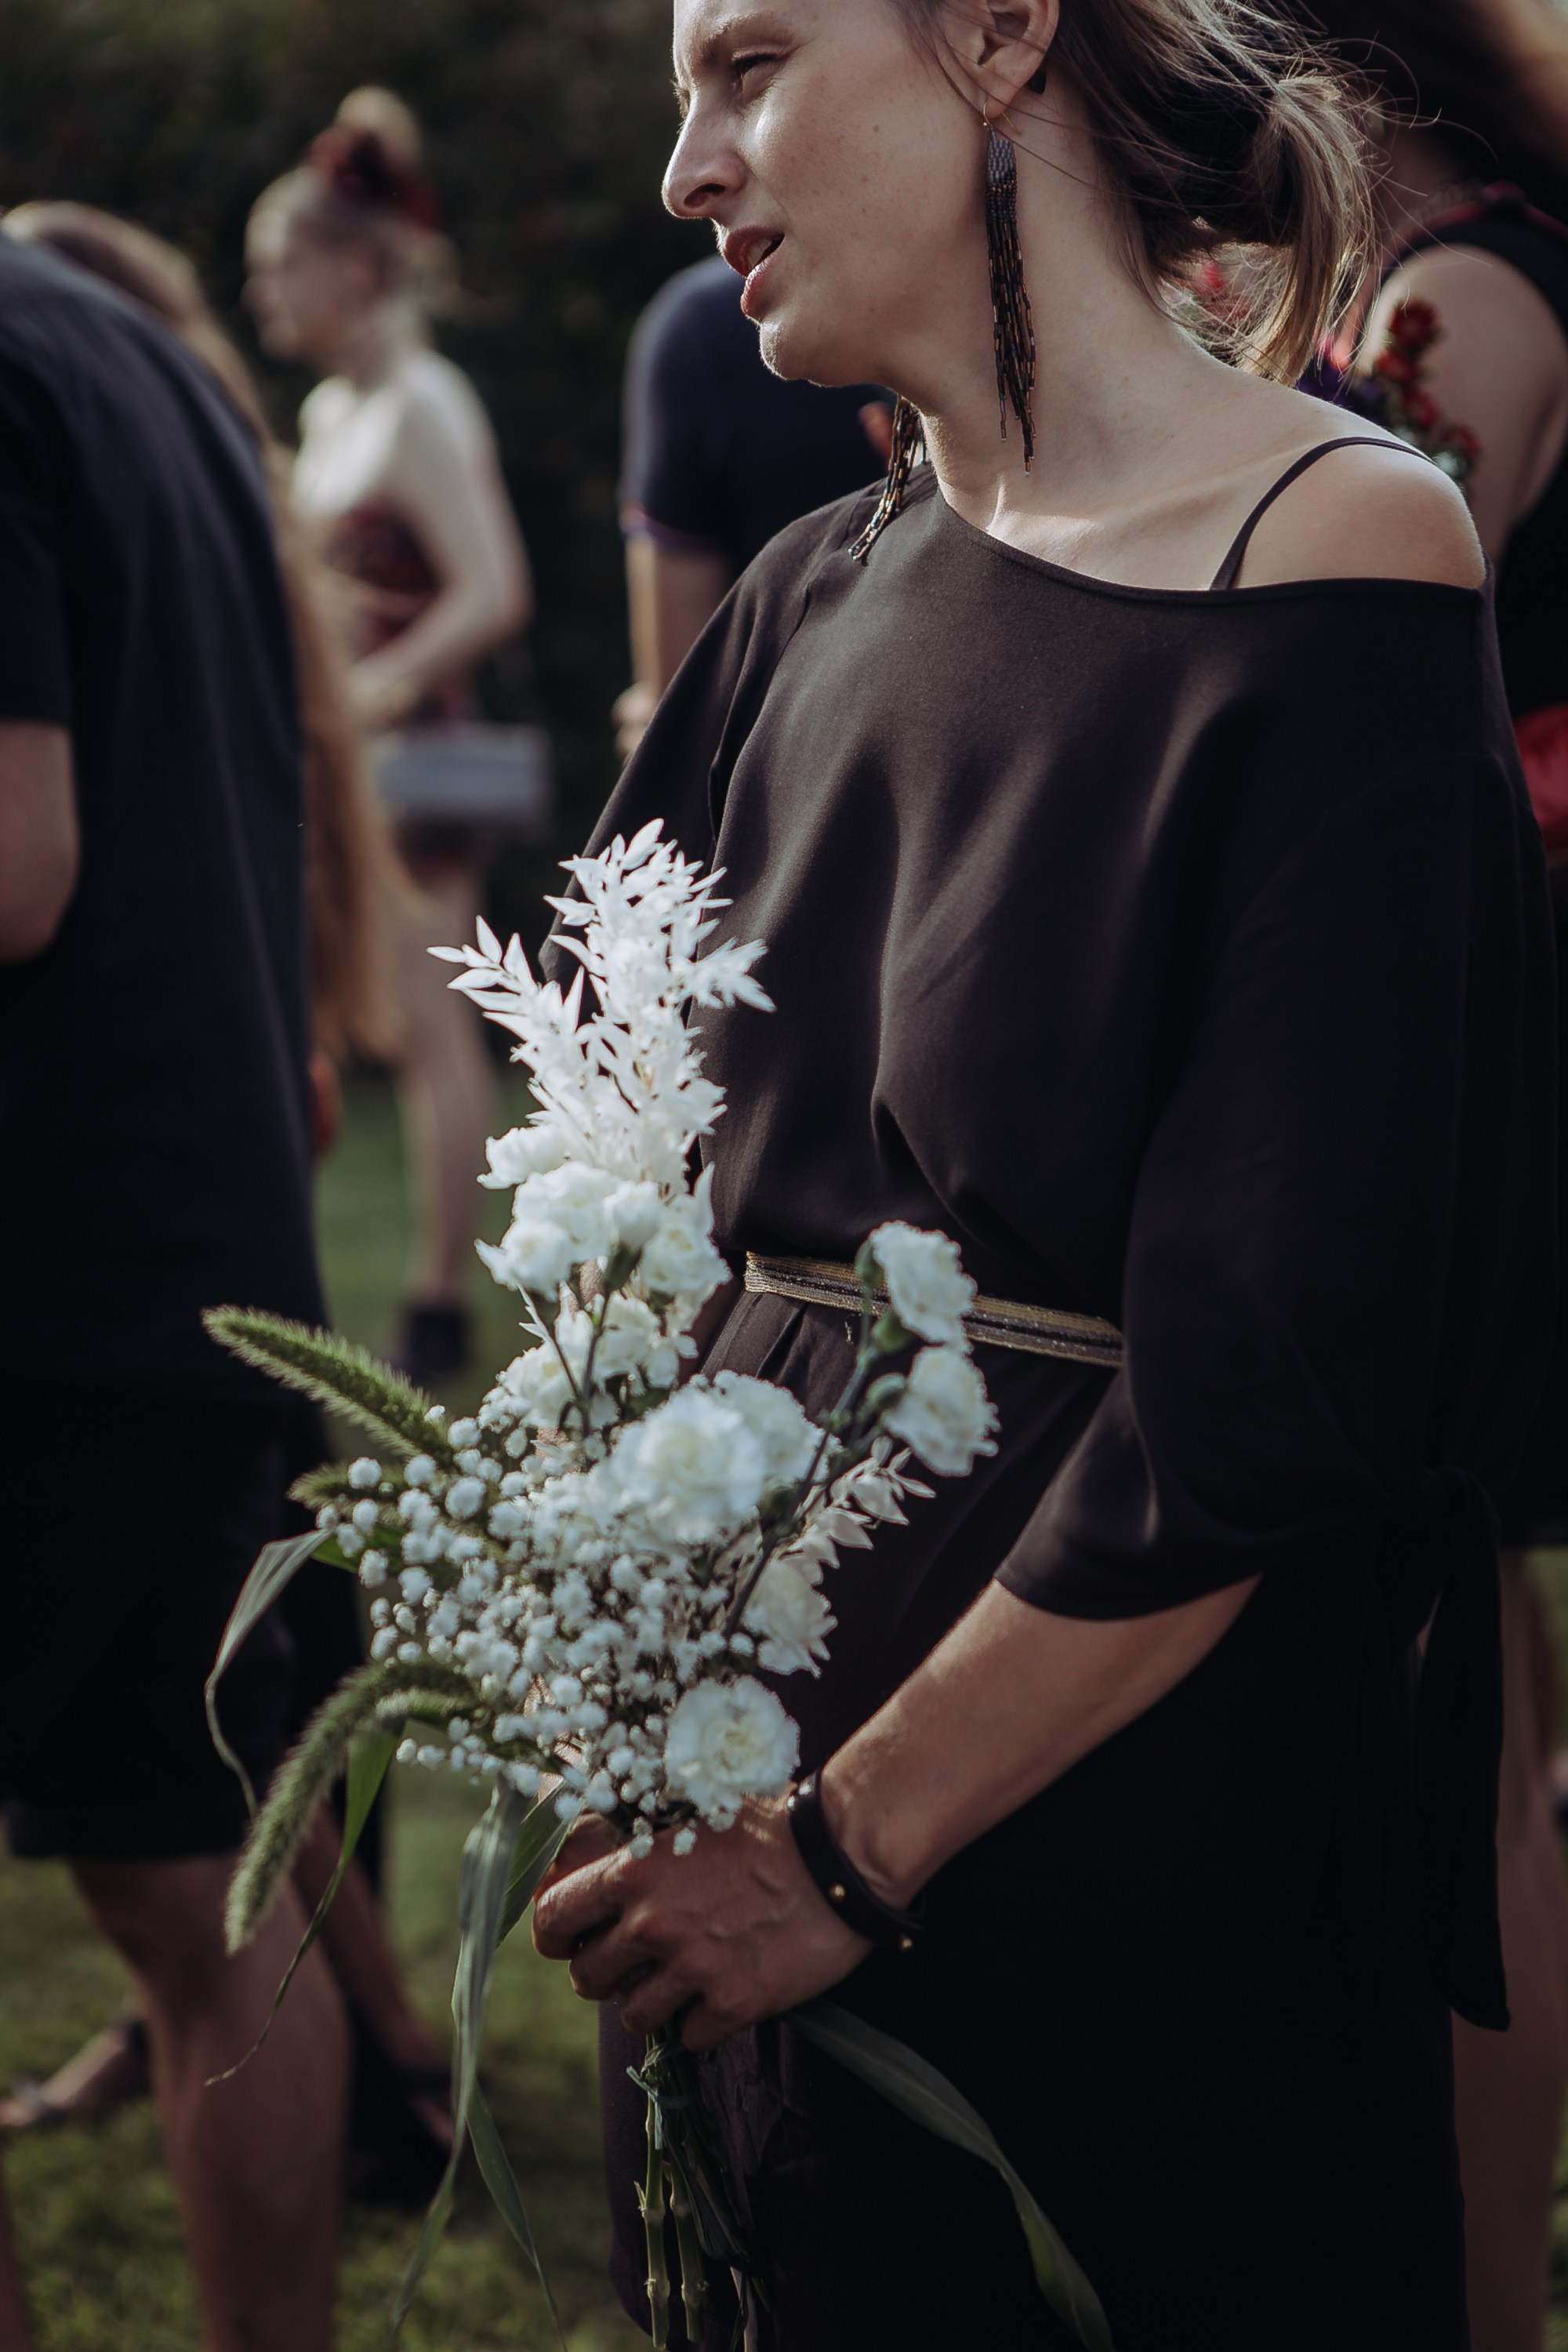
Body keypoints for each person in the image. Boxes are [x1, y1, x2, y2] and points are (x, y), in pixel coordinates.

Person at [528, 2, 1556, 2347]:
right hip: (727, 1865)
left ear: (998, 32)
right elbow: (593, 1169)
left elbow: (1274, 1370)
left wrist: (845, 1846)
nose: (692, 171)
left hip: (1115, 1857)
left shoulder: (1337, 554)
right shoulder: (801, 593)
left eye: (750, 63)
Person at [0, 201, 453, 2205]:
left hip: (35, 1254)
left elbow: (19, 859)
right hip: (193, 1222)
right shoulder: (157, 382)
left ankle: (411, 2063)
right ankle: (394, 2075)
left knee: (208, 1862)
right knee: (206, 1881)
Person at [1283, 9, 1568, 2345]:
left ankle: (1472, 2292)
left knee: (1467, 1719)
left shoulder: (1452, 300)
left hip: (1504, 1032)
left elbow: (1365, 690)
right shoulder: (1452, 271)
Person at [245, 87, 535, 1385]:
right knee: (348, 1025)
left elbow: (493, 589)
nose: (261, 297)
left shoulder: (426, 403)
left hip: (413, 772)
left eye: (278, 268)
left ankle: (434, 1308)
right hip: (346, 772)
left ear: (353, 267)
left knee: (430, 1033)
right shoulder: (326, 415)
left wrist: (370, 692)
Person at [614, 255, 887, 757]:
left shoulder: (704, 321)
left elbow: (676, 713)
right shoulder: (708, 324)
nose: (684, 191)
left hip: (761, 780)